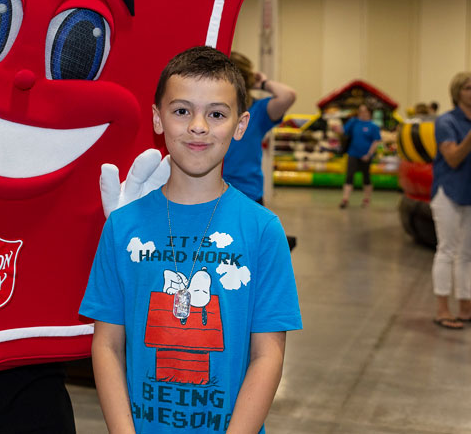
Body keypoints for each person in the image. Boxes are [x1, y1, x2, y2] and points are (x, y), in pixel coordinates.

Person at [80, 47, 301, 433]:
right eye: (182, 111)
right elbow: (107, 345)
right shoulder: (122, 226)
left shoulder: (263, 229)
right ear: (157, 117)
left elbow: (268, 354)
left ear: (240, 124)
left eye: (216, 114)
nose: (198, 126)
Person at [223, 51, 296, 205]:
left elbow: (288, 95)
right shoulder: (213, 109)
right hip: (214, 192)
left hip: (247, 193)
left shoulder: (258, 110)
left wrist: (262, 83)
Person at [429, 72, 471, 330]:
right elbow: (453, 158)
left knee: (467, 254)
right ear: (457, 92)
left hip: (469, 193)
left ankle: (466, 306)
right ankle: (443, 308)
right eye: (468, 88)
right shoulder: (446, 121)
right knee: (447, 250)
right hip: (449, 192)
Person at [338, 104, 381, 209]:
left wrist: (369, 154)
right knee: (349, 176)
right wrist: (335, 126)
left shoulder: (373, 126)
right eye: (360, 111)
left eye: (364, 111)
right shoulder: (354, 122)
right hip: (353, 153)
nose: (361, 113)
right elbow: (343, 131)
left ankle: (366, 199)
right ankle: (345, 199)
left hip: (366, 155)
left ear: (369, 112)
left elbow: (376, 141)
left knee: (366, 178)